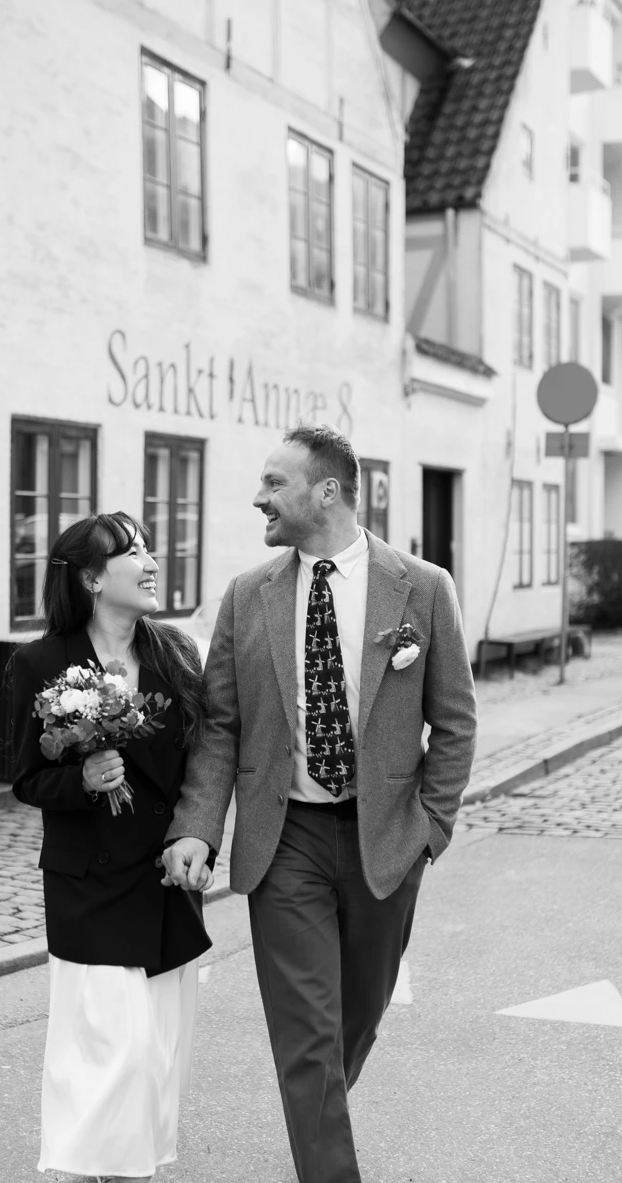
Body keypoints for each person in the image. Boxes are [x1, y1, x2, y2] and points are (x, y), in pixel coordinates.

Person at [162, 425, 477, 1183]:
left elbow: (456, 722)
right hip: (285, 839)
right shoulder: (248, 596)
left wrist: (430, 829)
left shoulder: (423, 587)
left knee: (355, 1017)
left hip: (385, 840)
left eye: (275, 483)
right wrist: (197, 827)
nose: (258, 498)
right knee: (306, 1031)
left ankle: (318, 1113)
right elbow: (221, 727)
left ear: (326, 491)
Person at [12, 511, 213, 1183]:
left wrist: (198, 837)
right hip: (89, 885)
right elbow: (26, 777)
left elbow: (204, 760)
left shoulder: (176, 654)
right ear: (93, 578)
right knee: (111, 1051)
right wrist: (82, 779)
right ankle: (84, 1169)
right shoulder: (40, 662)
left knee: (156, 1054)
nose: (151, 562)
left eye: (149, 549)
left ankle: (132, 1170)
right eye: (133, 552)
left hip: (163, 878)